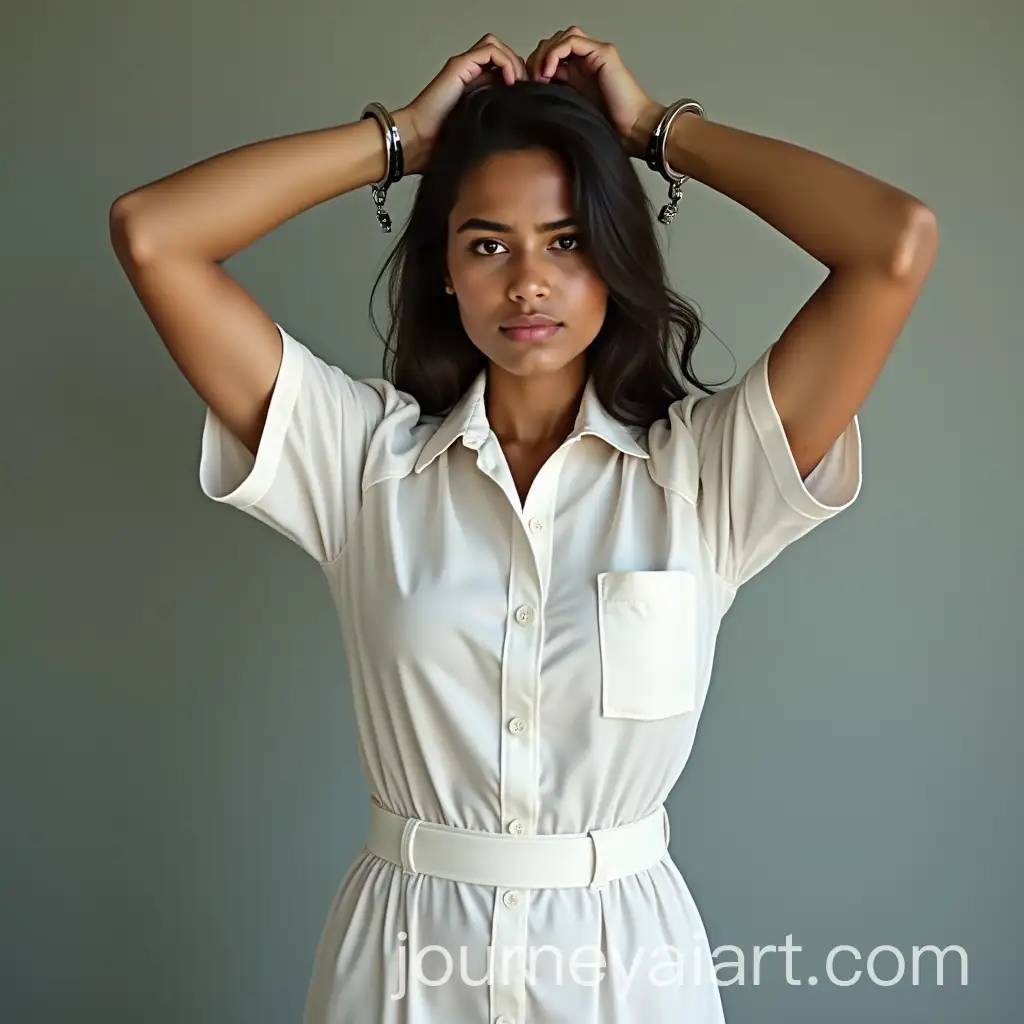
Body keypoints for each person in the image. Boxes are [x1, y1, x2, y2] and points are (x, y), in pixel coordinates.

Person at [109, 27, 938, 1024]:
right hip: (403, 960)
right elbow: (154, 232)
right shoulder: (362, 463)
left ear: (616, 258)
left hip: (626, 968)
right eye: (487, 243)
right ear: (446, 270)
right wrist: (407, 141)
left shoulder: (706, 475)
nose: (528, 282)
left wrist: (653, 130)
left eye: (569, 239)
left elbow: (894, 245)